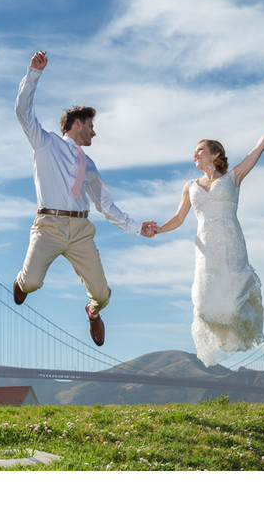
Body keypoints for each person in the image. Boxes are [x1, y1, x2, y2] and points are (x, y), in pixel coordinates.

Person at [13, 50, 156, 346]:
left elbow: (106, 205)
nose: (95, 131)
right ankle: (20, 282)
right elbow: (23, 112)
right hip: (49, 226)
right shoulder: (45, 143)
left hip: (80, 231)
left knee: (103, 295)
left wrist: (136, 226)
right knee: (32, 283)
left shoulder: (89, 165)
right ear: (77, 123)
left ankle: (92, 313)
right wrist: (33, 74)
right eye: (91, 125)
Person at [153, 103, 264, 366]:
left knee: (231, 304)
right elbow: (178, 218)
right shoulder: (190, 187)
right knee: (205, 308)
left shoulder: (233, 177)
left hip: (230, 245)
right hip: (205, 250)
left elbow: (259, 147)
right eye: (194, 151)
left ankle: (248, 315)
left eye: (200, 150)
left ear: (216, 155)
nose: (195, 154)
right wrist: (158, 229)